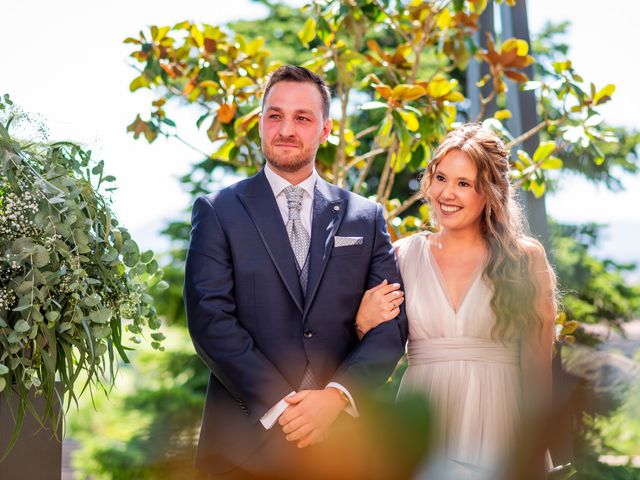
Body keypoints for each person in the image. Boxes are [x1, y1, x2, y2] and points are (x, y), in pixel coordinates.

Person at [184, 65, 408, 480]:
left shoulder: (364, 217)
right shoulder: (218, 211)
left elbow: (392, 326)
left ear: (325, 130)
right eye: (275, 115)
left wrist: (336, 398)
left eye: (302, 117)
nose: (286, 128)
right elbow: (209, 320)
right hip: (242, 450)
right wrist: (285, 406)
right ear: (260, 123)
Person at [356, 124, 557, 477]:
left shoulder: (523, 259)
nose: (447, 193)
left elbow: (538, 373)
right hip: (421, 425)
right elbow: (371, 361)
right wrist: (362, 322)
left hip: (501, 424)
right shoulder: (402, 256)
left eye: (464, 184)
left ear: (490, 192)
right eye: (440, 178)